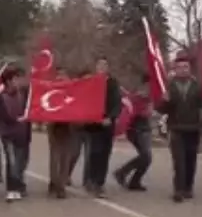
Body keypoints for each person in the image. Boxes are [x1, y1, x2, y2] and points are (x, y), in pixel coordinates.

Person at [158, 56, 202, 203]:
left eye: (186, 67)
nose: (183, 69)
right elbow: (162, 109)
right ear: (175, 69)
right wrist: (164, 101)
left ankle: (188, 187)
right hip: (176, 128)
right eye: (180, 67)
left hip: (193, 127)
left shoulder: (197, 86)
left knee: (191, 159)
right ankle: (178, 189)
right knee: (179, 160)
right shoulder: (170, 86)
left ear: (189, 68)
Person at [80, 57, 123, 198]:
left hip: (107, 124)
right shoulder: (91, 82)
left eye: (105, 64)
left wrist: (110, 118)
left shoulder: (113, 83)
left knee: (105, 154)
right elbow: (85, 101)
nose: (102, 67)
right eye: (99, 64)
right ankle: (90, 180)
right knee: (94, 153)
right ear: (95, 67)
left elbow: (117, 104)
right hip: (93, 125)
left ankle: (99, 182)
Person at [0, 68, 30, 202]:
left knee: (20, 162)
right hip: (8, 135)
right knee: (11, 161)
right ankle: (11, 189)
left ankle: (17, 187)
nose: (17, 82)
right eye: (15, 79)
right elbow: (3, 116)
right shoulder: (1, 98)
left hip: (21, 134)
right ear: (8, 81)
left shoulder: (23, 95)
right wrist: (17, 120)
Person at [114, 81, 154, 191]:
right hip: (136, 130)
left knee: (146, 158)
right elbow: (136, 113)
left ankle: (132, 180)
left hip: (145, 129)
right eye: (145, 87)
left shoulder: (149, 99)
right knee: (146, 156)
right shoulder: (135, 99)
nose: (147, 90)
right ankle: (123, 173)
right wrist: (146, 107)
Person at [46, 68, 77, 199]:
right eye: (59, 75)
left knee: (66, 159)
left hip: (68, 128)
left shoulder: (72, 91)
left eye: (63, 75)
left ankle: (61, 186)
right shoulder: (51, 89)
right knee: (55, 158)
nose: (61, 78)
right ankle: (54, 182)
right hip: (54, 128)